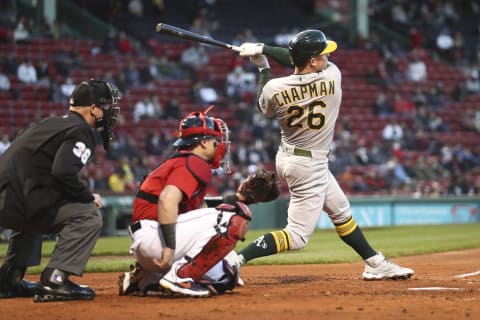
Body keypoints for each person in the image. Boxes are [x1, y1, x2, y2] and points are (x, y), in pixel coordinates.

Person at [232, 29, 414, 281]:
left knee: (340, 211)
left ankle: (374, 263)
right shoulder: (332, 76)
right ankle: (235, 260)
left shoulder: (275, 87)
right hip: (309, 163)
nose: (327, 57)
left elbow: (264, 108)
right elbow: (292, 57)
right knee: (296, 237)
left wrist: (263, 67)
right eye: (322, 54)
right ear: (313, 61)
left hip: (288, 156)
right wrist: (265, 49)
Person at [118, 106, 278, 297]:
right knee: (236, 215)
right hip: (157, 240)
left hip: (148, 243)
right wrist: (169, 249)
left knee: (226, 276)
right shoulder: (195, 162)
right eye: (214, 140)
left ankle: (143, 281)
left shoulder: (181, 161)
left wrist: (238, 198)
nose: (219, 145)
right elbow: (167, 200)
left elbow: (197, 211)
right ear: (202, 143)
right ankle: (178, 277)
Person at [0, 79, 121, 301]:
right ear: (94, 109)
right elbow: (63, 172)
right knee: (88, 214)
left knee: (34, 213)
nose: (109, 114)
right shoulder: (80, 130)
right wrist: (87, 197)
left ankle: (10, 281)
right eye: (106, 108)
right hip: (15, 199)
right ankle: (56, 280)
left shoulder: (49, 123)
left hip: (10, 197)